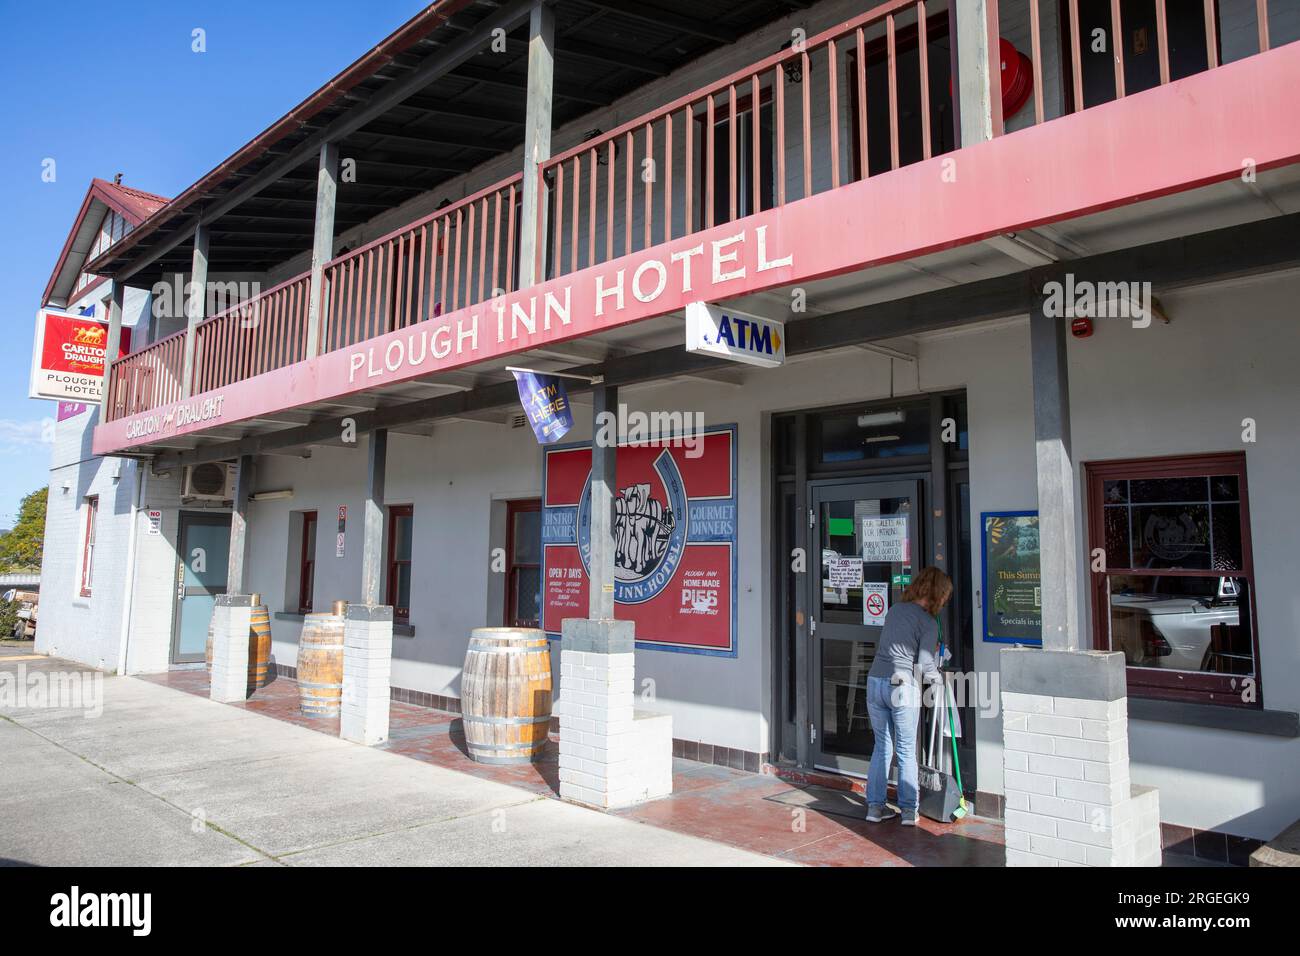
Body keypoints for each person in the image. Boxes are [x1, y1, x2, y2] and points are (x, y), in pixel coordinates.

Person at [864, 566, 952, 826]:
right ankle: (908, 811)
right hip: (902, 686)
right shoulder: (927, 622)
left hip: (875, 682)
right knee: (905, 749)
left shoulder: (894, 611)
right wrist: (940, 681)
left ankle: (874, 808)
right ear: (938, 594)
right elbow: (925, 664)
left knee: (882, 746)